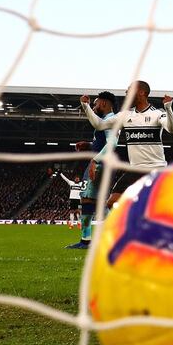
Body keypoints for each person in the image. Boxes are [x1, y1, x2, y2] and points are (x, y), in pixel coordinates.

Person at [81, 80, 173, 209]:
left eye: (130, 89)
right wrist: (86, 107)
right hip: (135, 169)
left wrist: (168, 108)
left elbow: (171, 128)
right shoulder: (125, 115)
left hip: (156, 169)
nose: (126, 92)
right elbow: (99, 125)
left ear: (142, 92)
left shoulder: (157, 113)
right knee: (112, 202)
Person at [66, 91, 118, 249]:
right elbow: (103, 143)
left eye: (96, 104)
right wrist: (88, 145)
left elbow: (112, 144)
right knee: (93, 200)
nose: (94, 107)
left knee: (89, 199)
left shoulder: (110, 120)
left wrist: (96, 161)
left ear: (103, 103)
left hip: (101, 163)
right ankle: (94, 239)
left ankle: (92, 239)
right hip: (102, 163)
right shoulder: (106, 121)